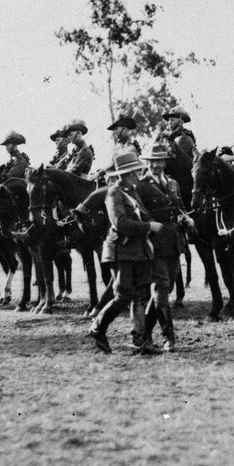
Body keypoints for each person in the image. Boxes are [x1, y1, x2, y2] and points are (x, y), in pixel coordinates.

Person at [88, 152, 164, 355]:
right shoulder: (114, 194)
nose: (138, 174)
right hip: (121, 250)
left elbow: (143, 215)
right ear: (126, 174)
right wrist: (148, 226)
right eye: (135, 172)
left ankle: (140, 341)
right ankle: (98, 327)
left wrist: (151, 222)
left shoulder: (132, 191)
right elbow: (120, 223)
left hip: (138, 250)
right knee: (124, 295)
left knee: (141, 295)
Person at [138, 144, 194, 352]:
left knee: (167, 288)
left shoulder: (173, 183)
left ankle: (144, 335)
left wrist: (186, 218)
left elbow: (180, 208)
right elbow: (140, 214)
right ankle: (168, 337)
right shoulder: (141, 186)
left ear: (165, 162)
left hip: (174, 240)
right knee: (161, 287)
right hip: (155, 242)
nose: (155, 165)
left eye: (159, 161)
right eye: (152, 161)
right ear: (147, 162)